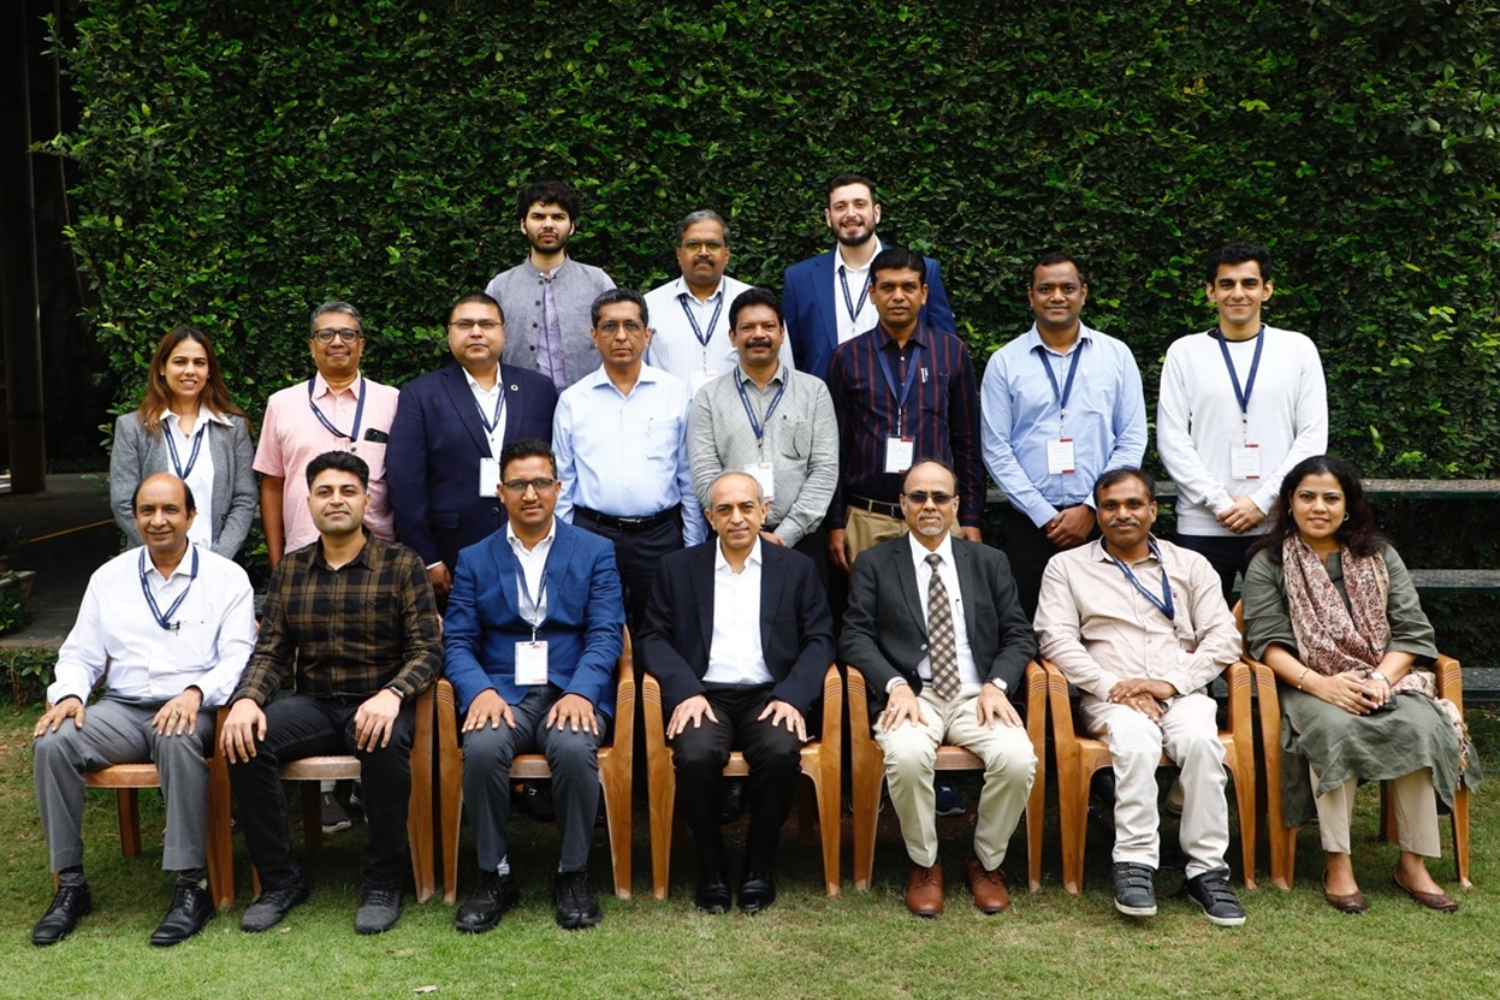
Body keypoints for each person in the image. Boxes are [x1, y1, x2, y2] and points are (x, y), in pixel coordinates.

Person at [1241, 455, 1478, 914]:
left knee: (1420, 725)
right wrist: (1323, 686)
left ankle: (1413, 862)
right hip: (1308, 683)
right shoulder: (1268, 562)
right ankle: (1339, 862)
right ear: (1289, 502)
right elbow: (1265, 643)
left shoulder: (1380, 555)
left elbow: (1411, 631)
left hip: (1387, 677)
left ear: (1347, 506)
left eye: (1332, 497)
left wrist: (1378, 679)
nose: (1319, 507)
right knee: (1334, 728)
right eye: (1307, 496)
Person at [221, 452, 441, 936]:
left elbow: (428, 649)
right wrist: (246, 700)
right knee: (244, 742)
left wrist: (393, 694)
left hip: (379, 701)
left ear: (367, 498)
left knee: (381, 742)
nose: (336, 500)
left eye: (347, 491)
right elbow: (272, 653)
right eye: (324, 491)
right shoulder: (292, 570)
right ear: (309, 501)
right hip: (315, 704)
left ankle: (383, 881)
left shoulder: (402, 564)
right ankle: (281, 882)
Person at [31, 473, 255, 946]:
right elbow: (79, 654)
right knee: (53, 740)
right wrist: (70, 693)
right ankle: (70, 884)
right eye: (148, 511)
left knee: (175, 735)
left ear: (191, 516)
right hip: (123, 708)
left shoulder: (226, 578)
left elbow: (238, 657)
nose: (158, 520)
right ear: (135, 518)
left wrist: (195, 692)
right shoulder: (109, 578)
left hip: (197, 706)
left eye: (170, 510)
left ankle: (191, 885)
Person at [1034, 468, 1247, 926]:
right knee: (1135, 740)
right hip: (1110, 694)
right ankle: (1134, 864)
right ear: (1097, 513)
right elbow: (1055, 640)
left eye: (1134, 505)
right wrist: (1115, 687)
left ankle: (1206, 870)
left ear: (1153, 510)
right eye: (1110, 506)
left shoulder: (1189, 565)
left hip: (1180, 690)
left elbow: (1224, 638)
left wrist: (1169, 684)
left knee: (1201, 744)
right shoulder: (1067, 567)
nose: (1122, 514)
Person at [443, 438, 626, 932]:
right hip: (501, 691)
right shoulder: (475, 557)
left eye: (541, 482)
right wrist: (478, 691)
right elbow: (457, 639)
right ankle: (494, 874)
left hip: (571, 686)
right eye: (519, 484)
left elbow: (607, 631)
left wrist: (584, 691)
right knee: (481, 749)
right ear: (500, 492)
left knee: (571, 748)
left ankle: (572, 874)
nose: (531, 493)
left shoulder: (594, 550)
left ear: (558, 488)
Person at [840, 460, 1037, 917]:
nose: (929, 506)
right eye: (918, 497)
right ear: (902, 505)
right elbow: (854, 635)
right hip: (914, 693)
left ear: (956, 505)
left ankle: (986, 863)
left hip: (978, 693)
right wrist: (893, 685)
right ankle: (925, 863)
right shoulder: (874, 563)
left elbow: (1019, 634)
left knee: (1018, 758)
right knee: (907, 757)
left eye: (940, 497)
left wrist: (997, 685)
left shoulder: (988, 561)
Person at [639, 471, 835, 914]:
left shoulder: (797, 569)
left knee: (782, 751)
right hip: (704, 694)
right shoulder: (678, 568)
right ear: (709, 518)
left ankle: (757, 866)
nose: (737, 518)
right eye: (724, 509)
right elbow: (652, 636)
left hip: (771, 695)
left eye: (747, 507)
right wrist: (686, 690)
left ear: (764, 510)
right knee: (693, 755)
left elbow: (821, 638)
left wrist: (791, 696)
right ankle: (710, 867)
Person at [1158, 242, 1328, 600]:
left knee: (1279, 634)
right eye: (1226, 284)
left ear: (1267, 290)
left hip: (1275, 522)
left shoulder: (1297, 349)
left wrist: (1263, 501)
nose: (1238, 293)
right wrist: (1219, 502)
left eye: (1249, 283)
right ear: (1210, 291)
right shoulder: (1184, 352)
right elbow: (1172, 438)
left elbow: (1312, 436)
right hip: (1203, 523)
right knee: (1197, 633)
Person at [981, 252, 1147, 618]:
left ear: (1083, 294)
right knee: (1030, 625)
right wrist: (1043, 514)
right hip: (1029, 524)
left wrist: (1092, 505)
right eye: (1046, 289)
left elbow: (1132, 438)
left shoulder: (1116, 356)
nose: (1057, 296)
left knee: (1106, 624)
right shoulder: (1005, 362)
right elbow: (996, 448)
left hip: (1102, 520)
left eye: (1067, 288)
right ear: (1031, 296)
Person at [387, 292, 558, 604]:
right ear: (449, 333)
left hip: (530, 543)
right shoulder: (420, 394)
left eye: (486, 324)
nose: (476, 332)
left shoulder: (538, 389)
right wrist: (428, 558)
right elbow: (405, 482)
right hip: (452, 552)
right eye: (465, 324)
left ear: (503, 331)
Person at [826, 246, 983, 573]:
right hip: (868, 518)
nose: (898, 296)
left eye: (908, 287)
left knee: (938, 615)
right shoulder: (848, 357)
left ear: (924, 293)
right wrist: (836, 522)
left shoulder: (951, 353)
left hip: (937, 515)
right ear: (872, 293)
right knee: (872, 618)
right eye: (887, 287)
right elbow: (835, 448)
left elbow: (967, 443)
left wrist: (970, 517)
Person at [553, 288, 705, 626]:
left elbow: (688, 477)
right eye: (609, 327)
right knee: (595, 627)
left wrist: (693, 545)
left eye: (631, 326)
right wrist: (565, 547)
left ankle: (652, 681)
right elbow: (563, 482)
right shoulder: (573, 401)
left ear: (647, 334)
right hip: (592, 535)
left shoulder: (676, 394)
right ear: (594, 335)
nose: (621, 336)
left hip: (661, 536)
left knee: (663, 628)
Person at [687, 287, 838, 583]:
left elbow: (825, 469)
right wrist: (742, 526)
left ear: (782, 334)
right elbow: (704, 473)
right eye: (747, 327)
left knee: (802, 626)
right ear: (733, 337)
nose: (759, 334)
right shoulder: (708, 397)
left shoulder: (814, 391)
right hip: (732, 539)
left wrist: (785, 534)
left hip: (801, 541)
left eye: (768, 326)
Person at [255, 300, 400, 570]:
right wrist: (277, 563)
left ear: (362, 345)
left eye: (347, 334)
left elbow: (405, 481)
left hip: (379, 558)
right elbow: (272, 485)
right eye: (325, 334)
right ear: (311, 346)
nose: (337, 342)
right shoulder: (282, 404)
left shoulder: (392, 401)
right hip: (303, 556)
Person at [783, 173, 955, 380]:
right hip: (826, 407)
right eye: (840, 207)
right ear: (829, 218)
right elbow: (793, 355)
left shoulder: (923, 270)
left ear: (877, 213)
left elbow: (945, 350)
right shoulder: (799, 279)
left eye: (859, 204)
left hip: (903, 405)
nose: (850, 214)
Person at [109, 325, 256, 558]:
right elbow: (124, 502)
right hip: (153, 561)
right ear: (161, 368)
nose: (190, 370)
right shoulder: (133, 428)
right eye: (180, 362)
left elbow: (245, 499)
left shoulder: (233, 428)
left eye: (199, 363)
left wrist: (219, 557)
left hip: (218, 564)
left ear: (209, 371)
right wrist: (166, 552)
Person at [487, 180, 616, 392]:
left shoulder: (598, 282)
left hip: (590, 404)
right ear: (523, 225)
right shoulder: (499, 287)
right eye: (538, 217)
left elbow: (618, 342)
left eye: (558, 217)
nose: (548, 224)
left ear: (572, 226)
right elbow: (489, 353)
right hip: (521, 407)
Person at [643, 210, 792, 392]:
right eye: (693, 245)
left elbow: (784, 372)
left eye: (712, 245)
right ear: (678, 254)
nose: (703, 252)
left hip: (740, 418)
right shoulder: (650, 306)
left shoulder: (758, 304)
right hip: (671, 418)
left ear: (727, 254)